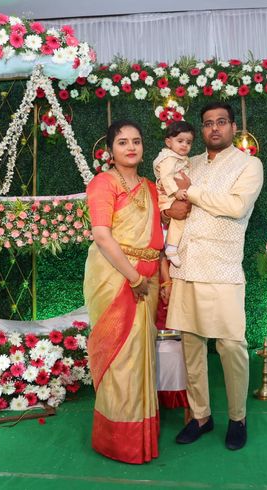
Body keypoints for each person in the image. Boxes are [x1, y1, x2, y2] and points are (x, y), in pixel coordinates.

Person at [165, 101, 264, 451]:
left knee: (231, 346)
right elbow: (169, 199)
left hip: (222, 267)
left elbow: (236, 207)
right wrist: (169, 208)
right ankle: (201, 416)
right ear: (201, 130)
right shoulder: (188, 163)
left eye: (221, 122)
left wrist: (190, 192)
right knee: (191, 345)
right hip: (186, 266)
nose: (214, 129)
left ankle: (237, 418)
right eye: (208, 124)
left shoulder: (249, 165)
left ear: (233, 127)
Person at [84, 120, 164, 464]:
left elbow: (159, 236)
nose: (130, 147)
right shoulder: (103, 182)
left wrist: (162, 277)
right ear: (110, 151)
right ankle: (119, 439)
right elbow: (102, 236)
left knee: (143, 354)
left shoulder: (150, 186)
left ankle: (142, 431)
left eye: (136, 141)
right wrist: (133, 278)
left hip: (149, 275)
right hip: (117, 276)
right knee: (121, 356)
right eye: (122, 142)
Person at [152, 121, 195, 267]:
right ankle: (171, 248)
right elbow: (166, 177)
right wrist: (176, 192)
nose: (184, 145)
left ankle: (171, 246)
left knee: (183, 216)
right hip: (168, 196)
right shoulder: (169, 158)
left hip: (175, 193)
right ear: (168, 142)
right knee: (179, 217)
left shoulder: (179, 158)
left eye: (188, 142)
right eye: (180, 141)